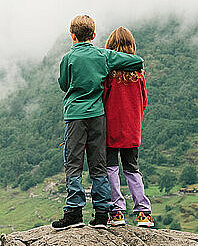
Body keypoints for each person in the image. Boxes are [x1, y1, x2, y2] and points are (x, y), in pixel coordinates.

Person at [52, 15, 144, 230]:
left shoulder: (68, 59)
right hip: (97, 116)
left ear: (72, 35)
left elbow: (64, 85)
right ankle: (102, 214)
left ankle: (74, 211)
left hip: (75, 115)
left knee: (73, 162)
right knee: (99, 163)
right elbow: (137, 61)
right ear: (93, 36)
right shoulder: (103, 55)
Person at [103, 26, 154, 228]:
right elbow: (144, 102)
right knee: (132, 169)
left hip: (111, 128)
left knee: (111, 168)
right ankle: (143, 212)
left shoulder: (110, 75)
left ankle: (117, 212)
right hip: (132, 129)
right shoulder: (138, 75)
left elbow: (103, 99)